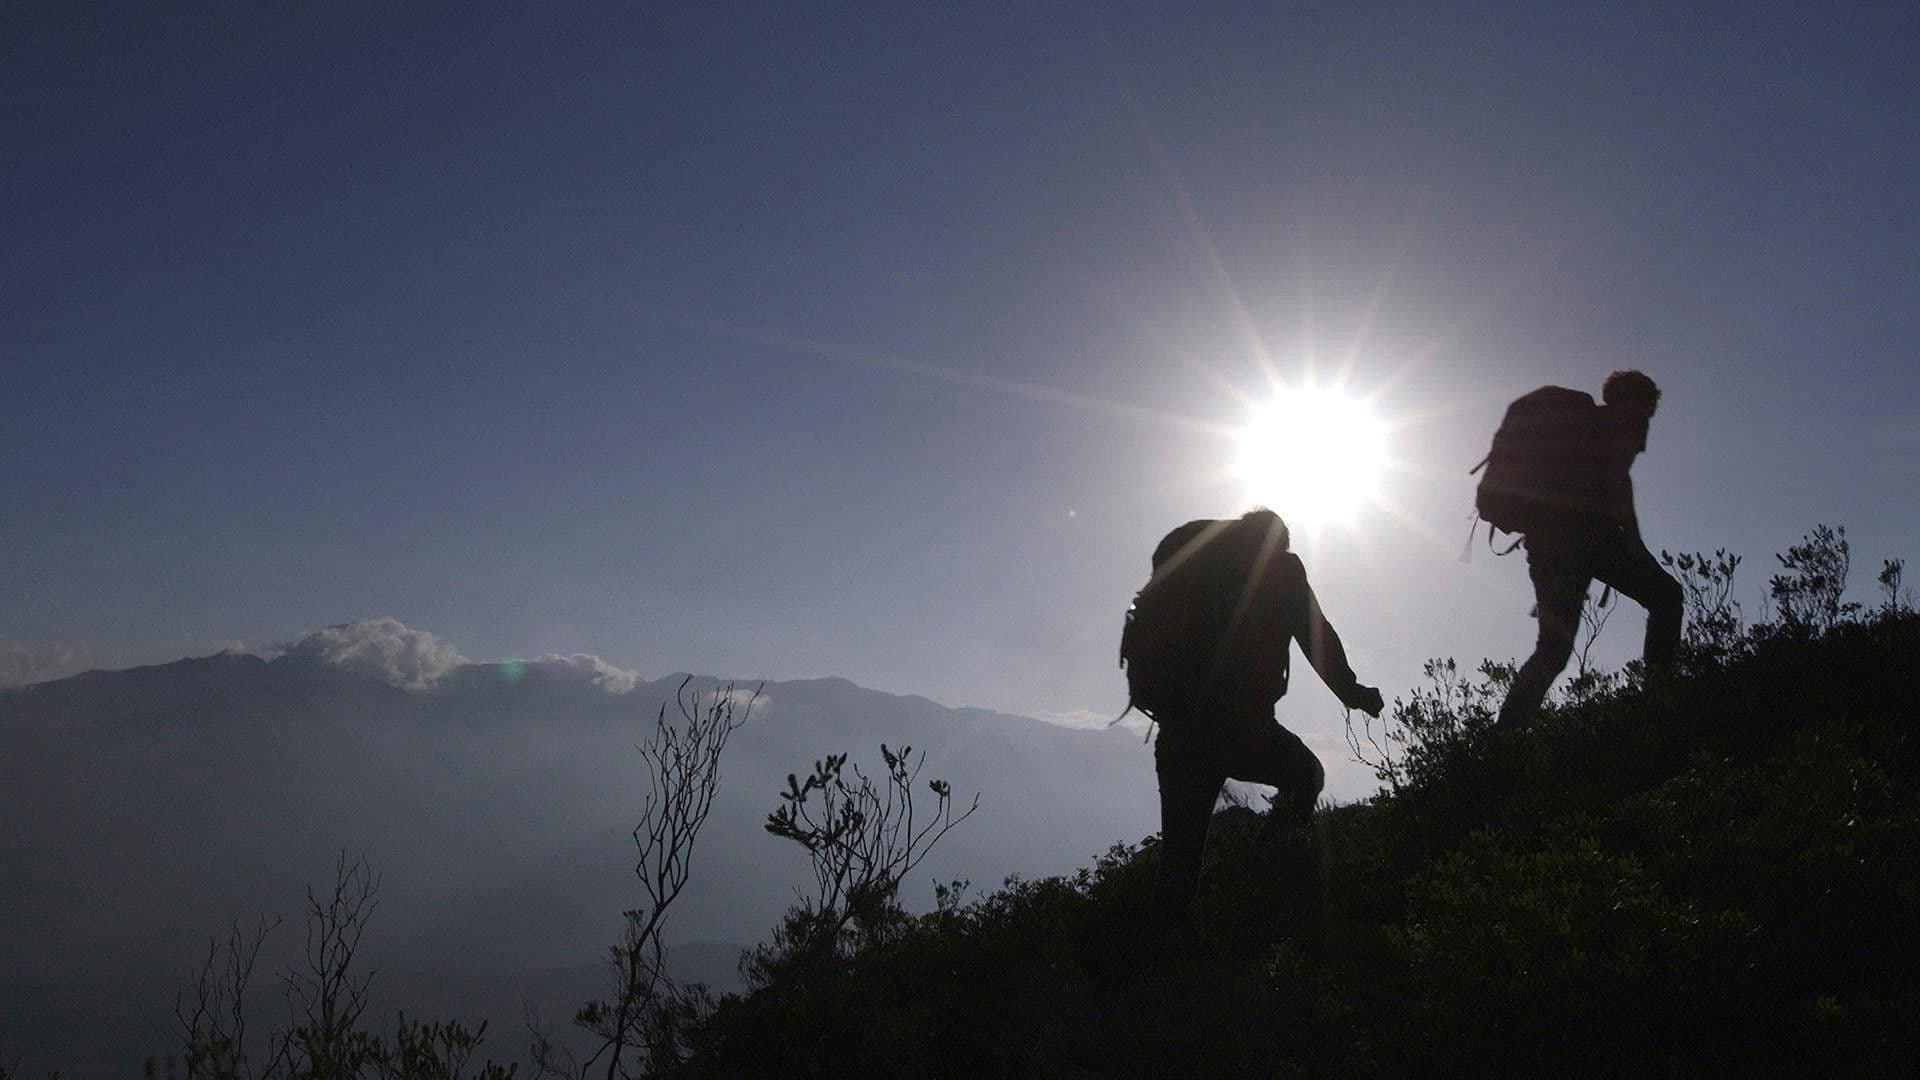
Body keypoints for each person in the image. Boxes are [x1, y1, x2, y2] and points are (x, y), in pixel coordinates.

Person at [1128, 508, 1384, 941]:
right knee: (1306, 776)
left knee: (1179, 862)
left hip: (1177, 735)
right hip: (1243, 730)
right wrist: (1354, 693)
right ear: (1279, 543)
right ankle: (1262, 875)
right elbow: (1316, 638)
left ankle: (1157, 969)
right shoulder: (1282, 571)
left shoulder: (1201, 571)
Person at [1494, 369, 1683, 727]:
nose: (1646, 423)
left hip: (1547, 545)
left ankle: (1502, 741)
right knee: (1667, 597)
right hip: (1592, 542)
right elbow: (1618, 481)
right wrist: (1634, 543)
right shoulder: (1621, 423)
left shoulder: (1579, 423)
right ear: (1633, 402)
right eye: (1647, 411)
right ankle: (1659, 700)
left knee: (1552, 650)